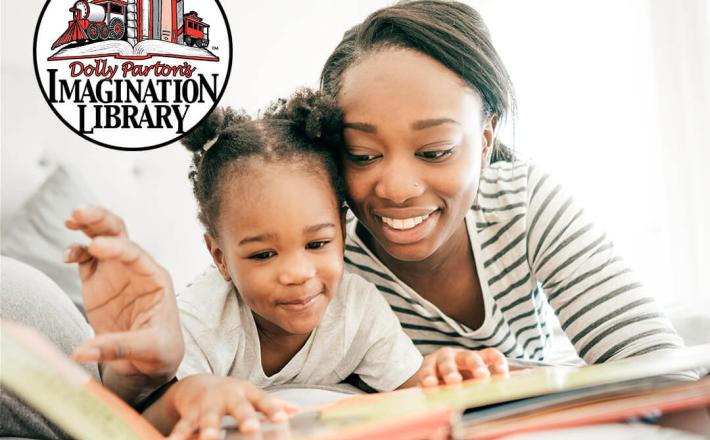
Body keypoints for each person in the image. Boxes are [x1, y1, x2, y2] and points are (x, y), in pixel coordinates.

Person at [64, 90, 508, 440]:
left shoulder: (358, 308)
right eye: (262, 254)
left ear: (342, 229)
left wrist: (439, 375)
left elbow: (411, 392)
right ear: (220, 257)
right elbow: (140, 420)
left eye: (317, 243)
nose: (298, 273)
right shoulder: (202, 319)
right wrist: (189, 395)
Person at [318, 0, 685, 364]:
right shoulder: (320, 246)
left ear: (485, 140)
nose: (397, 189)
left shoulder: (521, 204)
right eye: (362, 154)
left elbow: (656, 363)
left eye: (435, 151)